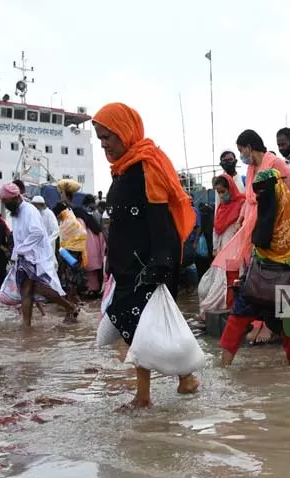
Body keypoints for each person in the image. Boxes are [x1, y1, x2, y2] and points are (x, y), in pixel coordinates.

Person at [93, 102, 199, 408]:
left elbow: (159, 217)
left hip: (147, 263)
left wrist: (161, 261)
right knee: (141, 326)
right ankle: (185, 379)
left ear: (125, 131)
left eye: (108, 137)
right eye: (100, 139)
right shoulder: (122, 169)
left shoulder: (148, 164)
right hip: (126, 264)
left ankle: (145, 396)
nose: (104, 144)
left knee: (143, 328)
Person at [219, 168, 290, 366]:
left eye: (264, 191)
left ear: (278, 189)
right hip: (259, 280)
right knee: (236, 320)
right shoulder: (263, 212)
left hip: (288, 283)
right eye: (258, 192)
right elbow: (258, 249)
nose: (261, 197)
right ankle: (223, 368)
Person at [211, 129, 290, 345]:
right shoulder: (251, 168)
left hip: (272, 225)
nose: (242, 155)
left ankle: (272, 325)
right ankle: (258, 321)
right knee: (255, 274)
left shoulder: (275, 163)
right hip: (252, 226)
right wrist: (243, 216)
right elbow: (249, 198)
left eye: (242, 150)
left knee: (273, 274)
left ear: (250, 148)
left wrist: (282, 224)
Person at [0, 183, 79, 328]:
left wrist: (21, 249)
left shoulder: (29, 211)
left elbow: (37, 232)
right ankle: (27, 325)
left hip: (36, 257)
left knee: (40, 289)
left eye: (7, 202)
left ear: (16, 198)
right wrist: (16, 254)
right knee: (26, 290)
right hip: (25, 258)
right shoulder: (16, 212)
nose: (5, 205)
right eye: (3, 202)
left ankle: (70, 307)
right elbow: (18, 236)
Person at [58, 180, 104, 298]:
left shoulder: (76, 214)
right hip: (81, 246)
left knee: (83, 272)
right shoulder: (75, 212)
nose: (61, 197)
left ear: (65, 196)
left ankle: (84, 294)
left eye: (62, 195)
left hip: (84, 245)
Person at [54, 201, 87, 305]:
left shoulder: (67, 221)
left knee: (69, 278)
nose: (57, 217)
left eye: (57, 214)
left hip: (70, 253)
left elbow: (64, 240)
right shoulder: (70, 218)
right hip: (75, 252)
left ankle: (71, 303)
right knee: (72, 278)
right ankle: (72, 299)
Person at [212, 174, 244, 255]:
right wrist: (215, 248)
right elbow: (216, 229)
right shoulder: (220, 208)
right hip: (221, 249)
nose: (221, 195)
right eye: (219, 193)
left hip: (235, 249)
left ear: (230, 189)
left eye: (223, 192)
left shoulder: (242, 203)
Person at [31, 196, 60, 273]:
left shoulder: (49, 214)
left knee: (49, 269)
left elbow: (56, 230)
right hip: (38, 249)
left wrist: (48, 242)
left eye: (36, 205)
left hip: (48, 247)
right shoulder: (36, 214)